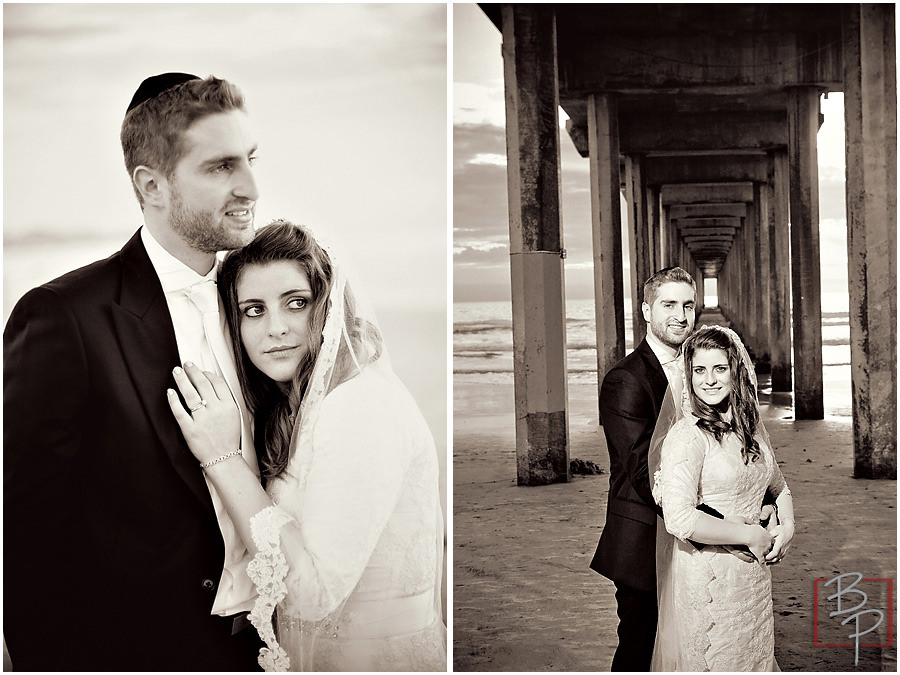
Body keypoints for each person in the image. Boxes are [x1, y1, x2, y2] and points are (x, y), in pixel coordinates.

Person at [4, 73, 263, 670]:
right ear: (152, 185)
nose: (251, 186)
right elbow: (24, 541)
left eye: (250, 159)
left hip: (266, 650)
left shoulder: (263, 307)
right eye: (221, 166)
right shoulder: (64, 317)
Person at [166, 220, 447, 671]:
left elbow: (310, 593)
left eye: (296, 303)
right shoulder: (296, 408)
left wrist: (222, 458)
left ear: (329, 307)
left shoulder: (359, 406)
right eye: (253, 310)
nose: (275, 328)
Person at [590, 266, 762, 671]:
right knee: (640, 647)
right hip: (646, 540)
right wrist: (727, 524)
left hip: (700, 536)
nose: (680, 315)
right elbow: (644, 471)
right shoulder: (625, 380)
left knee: (697, 644)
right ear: (646, 310)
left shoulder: (705, 370)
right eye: (668, 305)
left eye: (688, 305)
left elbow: (735, 446)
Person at [649, 325, 795, 670]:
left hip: (754, 580)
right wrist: (749, 534)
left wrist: (787, 527)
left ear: (736, 372)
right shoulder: (687, 437)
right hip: (710, 577)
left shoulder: (750, 430)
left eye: (719, 368)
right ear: (689, 375)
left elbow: (779, 486)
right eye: (699, 370)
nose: (709, 380)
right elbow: (680, 518)